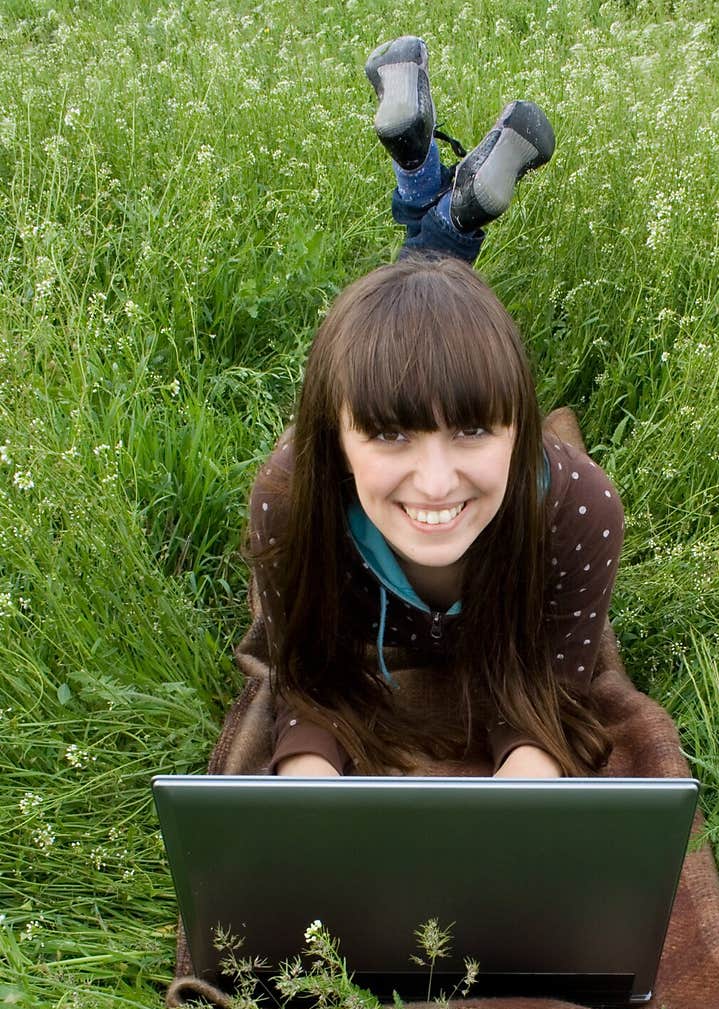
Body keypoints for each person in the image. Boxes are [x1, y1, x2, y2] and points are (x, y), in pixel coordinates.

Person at [247, 36, 624, 780]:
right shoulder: (291, 499)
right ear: (333, 440)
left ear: (522, 432)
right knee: (400, 328)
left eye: (475, 427)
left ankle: (429, 185)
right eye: (389, 433)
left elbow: (549, 691)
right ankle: (441, 198)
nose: (436, 481)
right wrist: (304, 786)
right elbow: (309, 681)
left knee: (408, 324)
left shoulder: (578, 507)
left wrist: (529, 774)